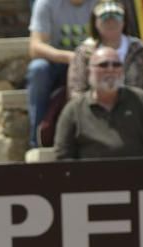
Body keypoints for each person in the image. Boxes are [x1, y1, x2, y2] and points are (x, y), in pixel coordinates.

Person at [54, 45, 143, 158]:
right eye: (103, 65)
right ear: (89, 72)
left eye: (116, 65)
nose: (110, 69)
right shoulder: (73, 110)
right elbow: (63, 156)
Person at [27, 0, 96, 147]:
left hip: (93, 64)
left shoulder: (101, 4)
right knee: (38, 69)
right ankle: (37, 141)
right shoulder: (46, 3)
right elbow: (35, 47)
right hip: (57, 63)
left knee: (110, 66)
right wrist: (71, 57)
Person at [67, 0, 143, 105]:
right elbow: (76, 91)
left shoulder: (140, 49)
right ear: (95, 23)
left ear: (124, 22)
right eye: (105, 18)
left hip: (136, 112)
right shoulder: (84, 52)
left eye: (116, 18)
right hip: (96, 115)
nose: (111, 22)